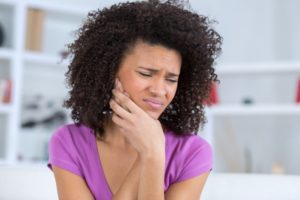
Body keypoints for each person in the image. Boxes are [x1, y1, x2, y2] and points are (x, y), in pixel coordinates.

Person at [47, 0, 222, 199]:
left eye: (171, 79)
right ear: (109, 72)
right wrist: (148, 152)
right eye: (146, 74)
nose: (159, 90)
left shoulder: (192, 153)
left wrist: (153, 155)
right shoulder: (69, 143)